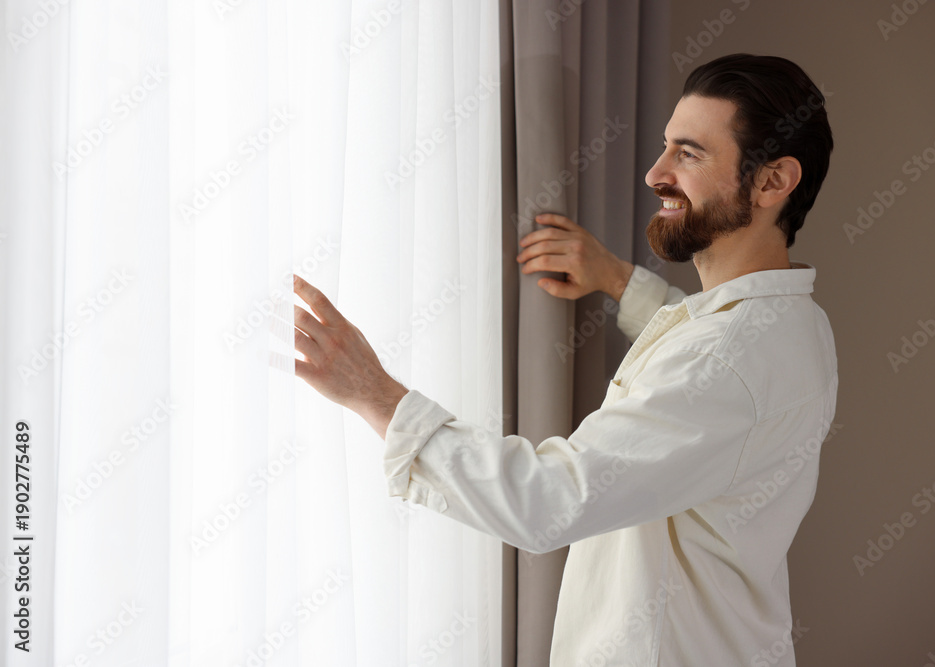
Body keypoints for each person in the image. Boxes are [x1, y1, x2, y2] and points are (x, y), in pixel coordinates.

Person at [292, 53, 836, 666]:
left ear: (772, 182)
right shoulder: (792, 324)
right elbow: (699, 370)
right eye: (666, 146)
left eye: (689, 154)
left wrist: (376, 395)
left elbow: (550, 500)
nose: (655, 173)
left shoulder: (729, 359)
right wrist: (618, 279)